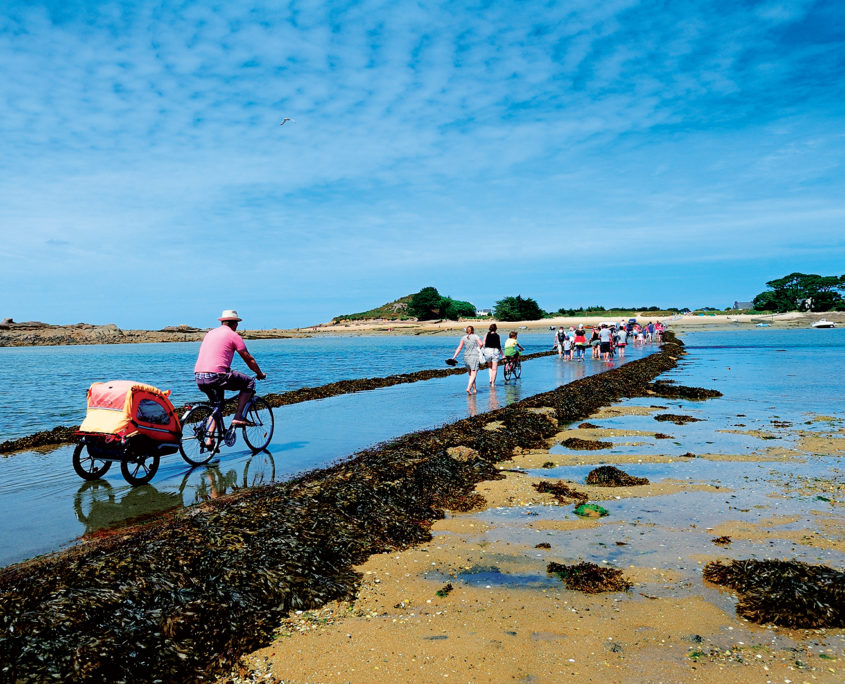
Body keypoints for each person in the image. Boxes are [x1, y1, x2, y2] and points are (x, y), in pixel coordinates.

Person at [194, 310, 266, 430]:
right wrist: (259, 374)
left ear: (222, 322)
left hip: (199, 377)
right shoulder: (233, 335)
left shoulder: (209, 334)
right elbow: (248, 358)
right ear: (235, 324)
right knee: (249, 382)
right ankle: (238, 417)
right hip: (217, 376)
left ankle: (209, 438)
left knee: (217, 406)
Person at [451, 325, 484, 394]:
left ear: (466, 331)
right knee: (474, 373)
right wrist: (478, 348)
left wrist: (454, 357)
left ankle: (474, 389)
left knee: (470, 374)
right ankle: (468, 388)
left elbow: (459, 348)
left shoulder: (463, 338)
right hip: (474, 356)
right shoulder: (475, 336)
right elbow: (481, 344)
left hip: (466, 357)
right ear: (473, 330)